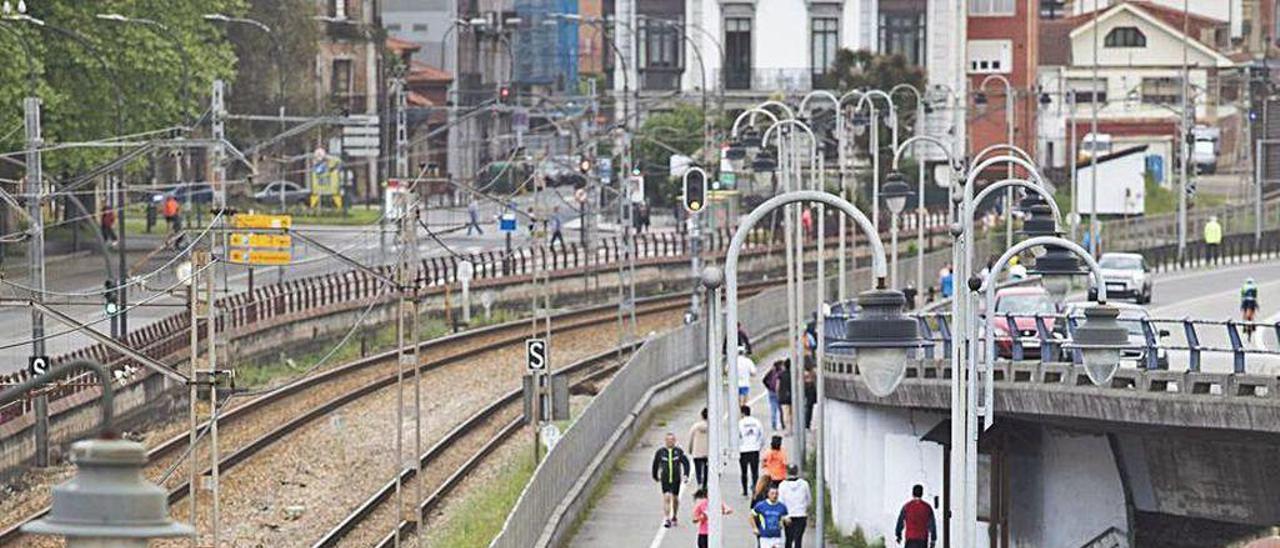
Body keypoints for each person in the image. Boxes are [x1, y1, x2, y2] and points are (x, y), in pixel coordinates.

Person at [651, 432, 691, 528]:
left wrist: (686, 475)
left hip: (676, 479)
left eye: (672, 440)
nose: (670, 442)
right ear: (665, 441)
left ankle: (674, 516)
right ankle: (667, 518)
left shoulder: (678, 451)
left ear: (675, 441)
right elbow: (655, 465)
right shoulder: (660, 452)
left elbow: (686, 463)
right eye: (668, 440)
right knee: (667, 497)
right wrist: (655, 476)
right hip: (665, 479)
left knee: (675, 499)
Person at [778, 465, 811, 548]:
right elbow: (809, 499)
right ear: (797, 472)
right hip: (801, 514)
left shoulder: (782, 485)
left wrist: (784, 515)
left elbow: (780, 502)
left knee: (788, 538)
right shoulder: (804, 484)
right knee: (798, 539)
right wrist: (804, 508)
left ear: (787, 472)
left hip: (788, 516)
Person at [738, 405, 764, 497]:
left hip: (743, 450)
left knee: (744, 472)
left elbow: (737, 436)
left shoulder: (740, 423)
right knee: (755, 472)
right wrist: (759, 446)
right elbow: (762, 435)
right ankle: (755, 490)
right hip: (754, 449)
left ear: (742, 413)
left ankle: (745, 491)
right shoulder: (757, 422)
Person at [688, 408, 710, 489]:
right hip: (708, 453)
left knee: (698, 470)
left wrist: (690, 450)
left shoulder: (696, 426)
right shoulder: (712, 427)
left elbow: (691, 438)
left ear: (701, 415)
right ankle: (705, 485)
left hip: (697, 452)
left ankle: (699, 483)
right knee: (707, 470)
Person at [764, 361, 785, 430]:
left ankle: (774, 425)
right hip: (780, 392)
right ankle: (783, 424)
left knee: (773, 409)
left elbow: (764, 380)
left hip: (771, 392)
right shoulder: (781, 373)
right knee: (781, 409)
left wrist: (769, 387)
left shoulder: (771, 372)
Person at [777, 361, 793, 434]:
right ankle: (793, 428)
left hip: (783, 396)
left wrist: (778, 394)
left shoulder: (780, 375)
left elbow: (777, 386)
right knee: (792, 413)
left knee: (785, 413)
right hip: (793, 396)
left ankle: (788, 429)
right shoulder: (794, 374)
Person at [802, 363, 817, 430]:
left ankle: (806, 423)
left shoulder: (803, 374)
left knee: (807, 408)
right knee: (809, 408)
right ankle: (807, 424)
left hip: (806, 392)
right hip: (811, 391)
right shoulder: (813, 373)